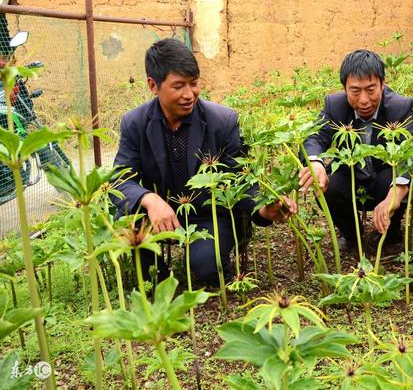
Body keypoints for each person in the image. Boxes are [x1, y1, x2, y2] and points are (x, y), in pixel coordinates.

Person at [113, 38, 295, 286]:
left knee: (208, 269)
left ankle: (217, 251)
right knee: (124, 222)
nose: (190, 94)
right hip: (157, 214)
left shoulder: (223, 121)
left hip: (207, 216)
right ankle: (158, 276)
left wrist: (263, 211)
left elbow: (240, 181)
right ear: (153, 85)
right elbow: (120, 180)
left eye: (194, 83)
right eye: (178, 86)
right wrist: (150, 199)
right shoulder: (134, 123)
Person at [299, 49, 413, 254]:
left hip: (384, 178)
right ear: (344, 88)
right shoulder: (334, 106)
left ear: (382, 83)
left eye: (371, 90)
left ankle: (390, 236)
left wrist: (395, 193)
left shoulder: (400, 107)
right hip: (351, 177)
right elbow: (315, 137)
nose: (363, 100)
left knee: (393, 180)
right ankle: (351, 235)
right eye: (355, 91)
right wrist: (315, 163)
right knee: (329, 186)